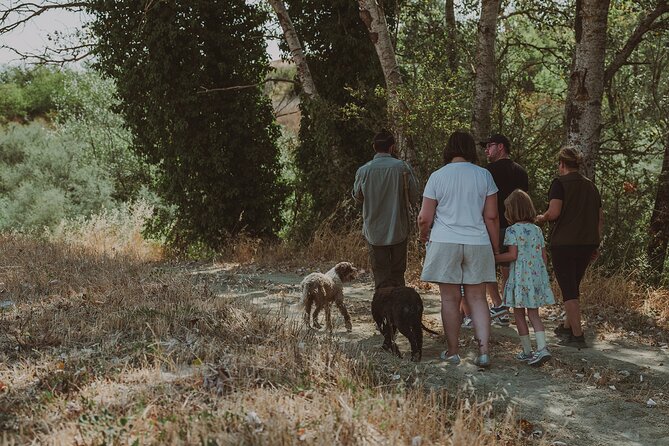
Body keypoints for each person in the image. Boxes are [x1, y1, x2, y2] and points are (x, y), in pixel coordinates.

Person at [418, 131, 499, 368]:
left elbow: (425, 216)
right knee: (478, 298)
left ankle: (453, 351)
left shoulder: (437, 176)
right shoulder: (484, 176)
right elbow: (491, 216)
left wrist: (424, 234)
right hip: (478, 241)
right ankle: (483, 353)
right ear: (470, 150)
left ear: (449, 149)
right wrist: (495, 247)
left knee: (449, 299)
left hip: (445, 241)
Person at [536, 147, 603, 348]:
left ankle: (577, 335)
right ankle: (567, 326)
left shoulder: (559, 184)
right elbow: (600, 217)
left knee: (569, 290)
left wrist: (541, 217)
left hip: (564, 244)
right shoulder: (591, 186)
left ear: (562, 164)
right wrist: (596, 242)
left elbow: (554, 212)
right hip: (587, 242)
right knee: (573, 285)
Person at [494, 189, 555, 366]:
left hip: (519, 279)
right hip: (535, 278)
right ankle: (542, 348)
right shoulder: (537, 230)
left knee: (519, 315)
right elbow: (544, 257)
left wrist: (493, 258)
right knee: (534, 314)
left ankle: (527, 351)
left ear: (511, 211)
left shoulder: (512, 230)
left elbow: (512, 255)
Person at [353, 129, 419, 289]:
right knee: (398, 273)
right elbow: (414, 197)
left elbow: (357, 197)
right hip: (399, 228)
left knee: (381, 274)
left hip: (374, 231)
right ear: (392, 147)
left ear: (374, 147)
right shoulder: (403, 168)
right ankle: (399, 309)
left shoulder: (364, 170)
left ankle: (383, 308)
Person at [482, 134, 529, 326]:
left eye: (489, 146)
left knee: (486, 265)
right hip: (517, 226)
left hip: (493, 225)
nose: (486, 150)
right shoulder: (521, 171)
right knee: (510, 267)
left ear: (500, 147)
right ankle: (508, 306)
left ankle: (499, 305)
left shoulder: (487, 172)